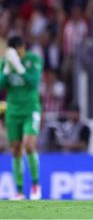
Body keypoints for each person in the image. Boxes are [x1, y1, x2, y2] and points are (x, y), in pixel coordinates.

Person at [0, 36, 43, 200]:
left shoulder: (34, 59)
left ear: (21, 48)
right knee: (16, 149)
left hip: (31, 109)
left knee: (29, 145)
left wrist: (18, 67)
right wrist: (6, 71)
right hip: (13, 111)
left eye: (15, 51)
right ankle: (18, 191)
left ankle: (36, 185)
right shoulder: (5, 63)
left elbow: (34, 82)